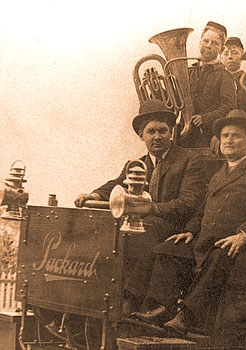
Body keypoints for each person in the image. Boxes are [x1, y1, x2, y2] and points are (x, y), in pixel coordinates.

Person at [132, 115, 246, 335]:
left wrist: (244, 235)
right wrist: (190, 231)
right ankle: (162, 308)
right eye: (224, 136)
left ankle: (187, 316)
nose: (229, 141)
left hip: (233, 243)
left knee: (221, 255)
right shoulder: (219, 174)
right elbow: (202, 211)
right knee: (168, 249)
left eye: (236, 136)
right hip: (205, 240)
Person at [74, 99, 205, 314]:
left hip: (176, 227)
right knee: (111, 230)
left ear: (171, 132)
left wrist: (149, 208)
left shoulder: (190, 159)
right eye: (151, 132)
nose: (157, 137)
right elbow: (116, 185)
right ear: (141, 135)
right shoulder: (136, 164)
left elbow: (188, 203)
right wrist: (94, 194)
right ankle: (101, 294)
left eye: (162, 131)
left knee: (141, 230)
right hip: (147, 225)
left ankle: (129, 299)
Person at [182, 21, 237, 148]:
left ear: (221, 49)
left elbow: (229, 107)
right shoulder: (188, 72)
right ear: (200, 42)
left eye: (214, 43)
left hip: (208, 137)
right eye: (205, 41)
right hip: (184, 136)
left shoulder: (224, 75)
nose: (208, 46)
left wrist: (206, 118)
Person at [221, 37, 246, 115]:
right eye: (226, 54)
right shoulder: (218, 80)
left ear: (242, 55)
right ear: (221, 58)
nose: (230, 57)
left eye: (235, 53)